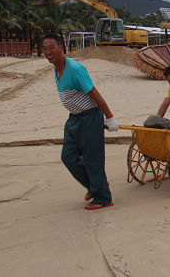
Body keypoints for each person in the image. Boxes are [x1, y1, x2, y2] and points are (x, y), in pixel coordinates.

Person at [42, 34, 118, 210]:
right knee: (68, 156)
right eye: (44, 48)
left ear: (62, 48)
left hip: (90, 116)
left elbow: (95, 94)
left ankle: (103, 197)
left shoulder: (75, 68)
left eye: (51, 47)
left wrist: (109, 117)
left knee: (93, 159)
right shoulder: (57, 67)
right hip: (74, 118)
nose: (48, 52)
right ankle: (95, 184)